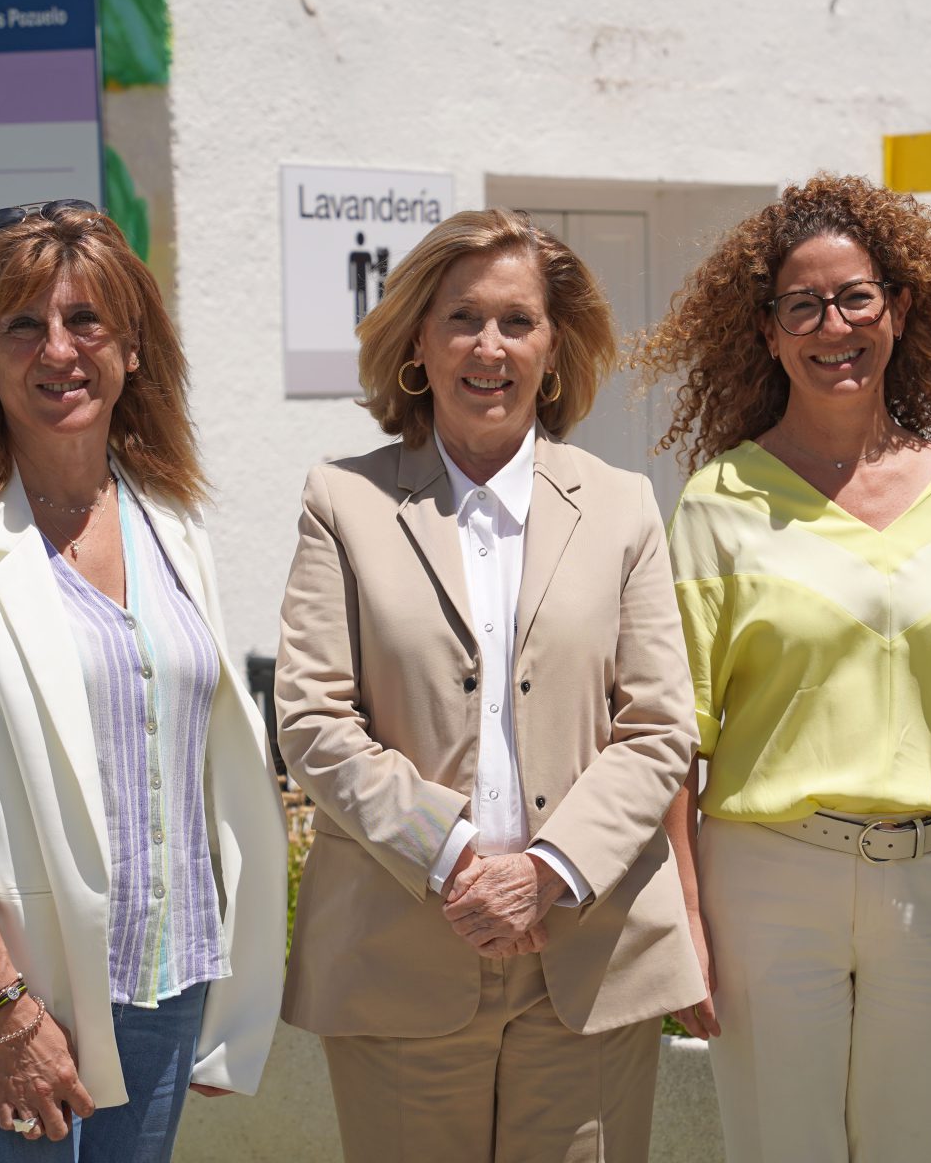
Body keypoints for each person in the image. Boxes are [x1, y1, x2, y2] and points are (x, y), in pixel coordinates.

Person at [0, 201, 289, 1162]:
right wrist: (0, 1006)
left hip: (168, 985)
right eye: (22, 324)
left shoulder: (167, 514)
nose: (57, 350)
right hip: (20, 1000)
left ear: (134, 346)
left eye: (86, 321)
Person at [630, 173, 931, 1163]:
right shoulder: (718, 500)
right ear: (771, 331)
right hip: (766, 879)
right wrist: (683, 920)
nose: (835, 324)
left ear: (900, 310)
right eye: (804, 304)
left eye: (857, 296)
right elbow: (672, 741)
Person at [274, 208, 704, 1163]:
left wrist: (546, 872)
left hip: (585, 960)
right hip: (400, 957)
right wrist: (458, 861)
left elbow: (660, 728)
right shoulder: (342, 500)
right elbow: (312, 718)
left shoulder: (624, 504)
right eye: (462, 318)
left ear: (554, 350)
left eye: (518, 321)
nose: (490, 346)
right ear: (418, 345)